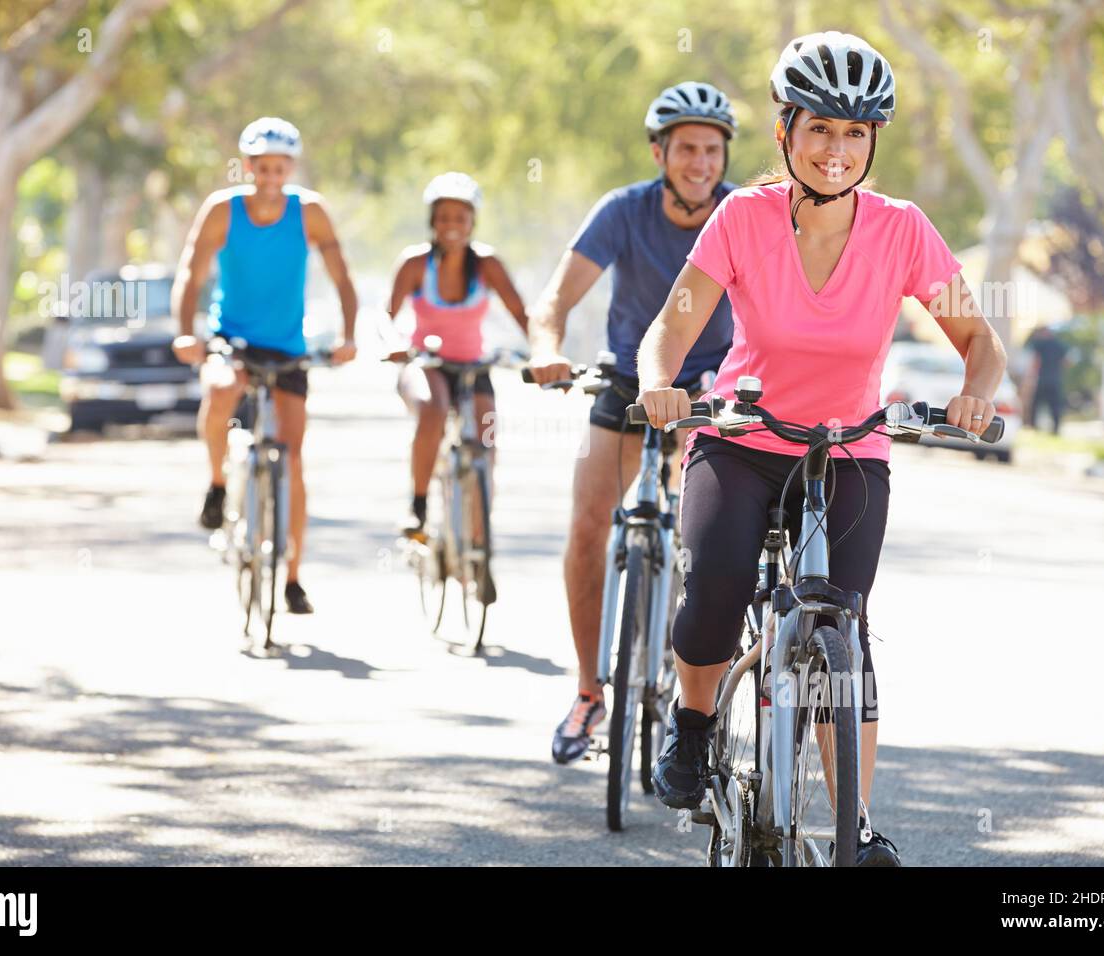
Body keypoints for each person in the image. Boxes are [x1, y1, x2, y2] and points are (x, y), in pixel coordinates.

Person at [633, 32, 1007, 865]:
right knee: (719, 588)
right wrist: (663, 385)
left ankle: (857, 827)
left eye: (855, 133)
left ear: (873, 142)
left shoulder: (904, 231)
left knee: (847, 625)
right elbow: (671, 327)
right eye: (820, 130)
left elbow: (979, 338)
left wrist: (976, 390)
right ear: (785, 133)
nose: (837, 150)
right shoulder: (742, 218)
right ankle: (693, 728)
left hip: (851, 450)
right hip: (741, 438)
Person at [525, 82, 738, 764]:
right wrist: (546, 348)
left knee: (710, 545)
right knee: (590, 523)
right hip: (627, 383)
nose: (700, 163)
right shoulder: (624, 211)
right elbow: (556, 297)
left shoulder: (743, 214)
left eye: (712, 150)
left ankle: (700, 697)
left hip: (715, 390)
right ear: (659, 153)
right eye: (686, 150)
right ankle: (590, 691)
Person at [172, 117, 357, 614]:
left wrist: (348, 336)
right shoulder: (222, 211)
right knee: (221, 388)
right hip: (232, 337)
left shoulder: (310, 212)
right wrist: (186, 332)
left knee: (293, 458)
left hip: (287, 346)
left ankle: (293, 577)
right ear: (248, 167)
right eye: (261, 167)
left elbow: (342, 278)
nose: (271, 177)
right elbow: (191, 273)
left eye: (280, 168)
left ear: (290, 168)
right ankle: (216, 483)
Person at [385, 172, 529, 553]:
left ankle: (479, 546)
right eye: (443, 217)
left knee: (486, 441)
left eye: (460, 218)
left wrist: (543, 352)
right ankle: (417, 506)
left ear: (472, 222)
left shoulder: (487, 264)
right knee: (433, 410)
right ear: (433, 221)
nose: (451, 226)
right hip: (426, 363)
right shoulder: (415, 263)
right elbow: (388, 316)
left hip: (473, 366)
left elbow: (522, 313)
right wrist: (395, 344)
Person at [1023, 324, 1068, 434]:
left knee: (1036, 404)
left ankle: (1033, 426)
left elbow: (1036, 361)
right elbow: (1066, 362)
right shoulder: (1060, 345)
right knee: (1055, 405)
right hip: (1055, 379)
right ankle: (1056, 429)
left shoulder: (1040, 344)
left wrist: (1031, 376)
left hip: (1043, 379)